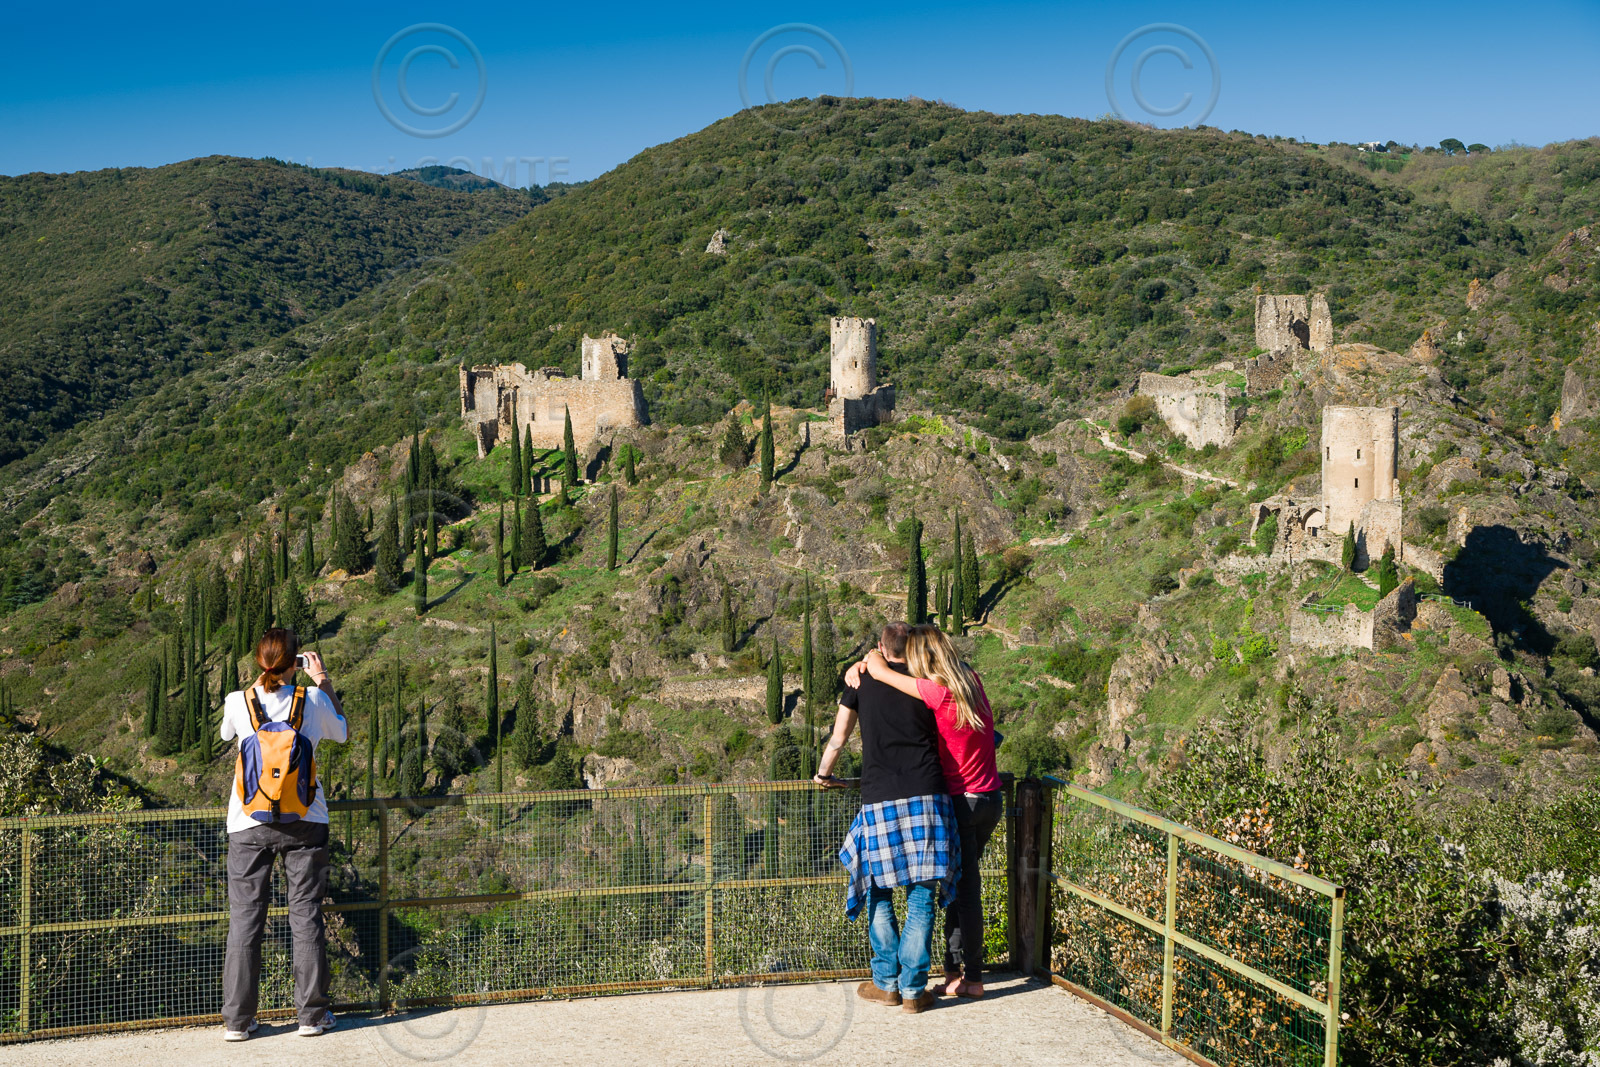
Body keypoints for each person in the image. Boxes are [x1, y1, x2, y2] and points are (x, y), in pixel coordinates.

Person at [814, 622, 958, 1015]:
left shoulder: (860, 683)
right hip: (928, 795)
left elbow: (838, 739)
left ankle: (887, 984)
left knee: (878, 889)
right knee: (922, 897)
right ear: (910, 649)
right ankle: (914, 991)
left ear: (880, 647)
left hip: (879, 799)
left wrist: (823, 775)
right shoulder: (926, 682)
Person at [857, 625, 1002, 999]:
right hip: (990, 797)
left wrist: (867, 660)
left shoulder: (935, 692)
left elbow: (883, 672)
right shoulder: (971, 680)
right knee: (960, 886)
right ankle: (956, 973)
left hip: (961, 801)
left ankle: (971, 979)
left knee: (963, 892)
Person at [220, 627, 347, 1041]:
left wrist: (255, 688)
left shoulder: (238, 702)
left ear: (259, 663)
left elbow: (226, 735)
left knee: (245, 919)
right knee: (305, 913)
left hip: (248, 824)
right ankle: (311, 1017)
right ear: (296, 664)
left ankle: (238, 1023)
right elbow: (341, 732)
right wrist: (323, 681)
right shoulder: (310, 700)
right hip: (305, 821)